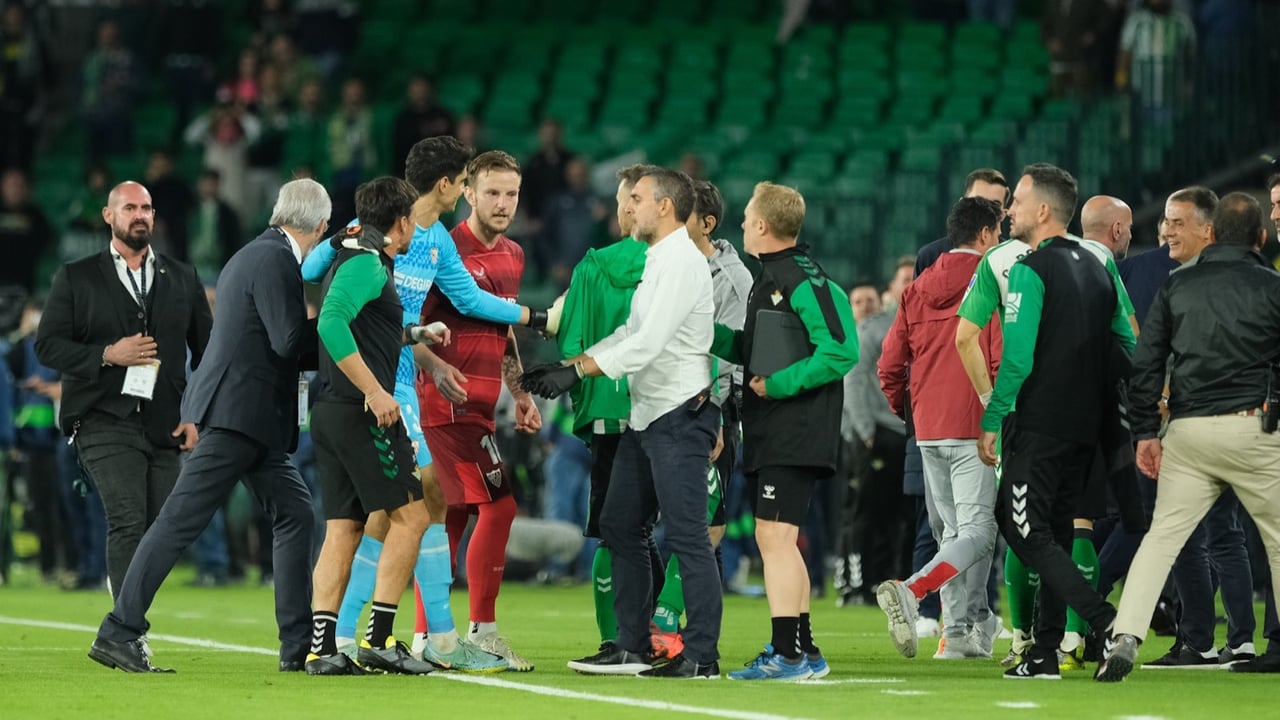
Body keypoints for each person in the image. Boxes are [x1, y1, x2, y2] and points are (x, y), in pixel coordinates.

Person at [302, 137, 549, 673]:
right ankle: (416, 636)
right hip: (375, 386)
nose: (466, 192)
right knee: (412, 507)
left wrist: (437, 362)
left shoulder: (434, 240)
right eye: (466, 183)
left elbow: (466, 300)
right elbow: (311, 271)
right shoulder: (377, 231)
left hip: (405, 383)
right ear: (448, 185)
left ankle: (357, 637)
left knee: (399, 511)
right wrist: (538, 317)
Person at [86, 178, 329, 673]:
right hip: (239, 415)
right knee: (178, 522)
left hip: (247, 416)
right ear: (320, 225)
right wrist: (339, 332)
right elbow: (287, 340)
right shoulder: (276, 259)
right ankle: (119, 631)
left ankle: (297, 647)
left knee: (296, 513)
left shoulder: (255, 254)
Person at [522, 168, 723, 679]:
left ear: (666, 207)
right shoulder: (660, 260)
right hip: (649, 415)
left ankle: (701, 655)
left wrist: (581, 370)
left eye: (638, 197)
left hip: (680, 415)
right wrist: (572, 367)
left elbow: (649, 341)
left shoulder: (680, 261)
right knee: (618, 524)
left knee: (687, 535)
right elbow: (630, 330)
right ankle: (633, 646)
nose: (629, 206)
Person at [954, 168, 1138, 670]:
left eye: (1016, 201)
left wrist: (991, 417)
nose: (1008, 209)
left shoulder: (1027, 269)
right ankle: (1044, 653)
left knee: (1021, 529)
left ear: (1041, 211)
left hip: (1037, 423)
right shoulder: (1099, 261)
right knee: (1056, 532)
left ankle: (1106, 624)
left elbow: (1015, 359)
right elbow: (1129, 341)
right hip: (1086, 428)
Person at [1097, 192, 1280, 682]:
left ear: (1213, 232)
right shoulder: (1273, 286)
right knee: (1274, 541)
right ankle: (1257, 640)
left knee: (1161, 540)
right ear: (1261, 238)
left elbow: (1146, 364)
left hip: (1188, 431)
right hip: (1255, 428)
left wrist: (1143, 432)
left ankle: (1126, 638)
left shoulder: (1177, 286)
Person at [709, 182, 859, 680]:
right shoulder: (777, 276)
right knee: (781, 539)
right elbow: (760, 348)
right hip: (781, 427)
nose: (744, 222)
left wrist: (778, 385)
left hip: (793, 427)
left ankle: (785, 655)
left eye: (748, 216)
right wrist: (702, 331)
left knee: (774, 538)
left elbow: (840, 350)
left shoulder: (799, 278)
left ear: (762, 226)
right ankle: (805, 649)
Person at [35, 181, 212, 603]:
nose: (140, 215)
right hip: (101, 416)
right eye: (130, 207)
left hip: (165, 422)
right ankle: (126, 630)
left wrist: (197, 414)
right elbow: (47, 346)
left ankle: (127, 617)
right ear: (108, 216)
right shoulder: (76, 276)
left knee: (158, 530)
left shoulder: (183, 277)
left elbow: (209, 353)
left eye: (147, 208)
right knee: (128, 520)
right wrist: (107, 354)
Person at [416, 150, 542, 671]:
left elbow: (503, 327)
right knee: (499, 507)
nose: (502, 203)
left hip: (484, 405)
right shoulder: (443, 246)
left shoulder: (513, 254)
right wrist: (435, 369)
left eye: (511, 193)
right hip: (446, 405)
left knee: (454, 514)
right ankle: (479, 631)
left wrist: (521, 392)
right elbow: (407, 323)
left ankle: (429, 636)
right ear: (467, 192)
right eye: (492, 192)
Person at [306, 176, 438, 676]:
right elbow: (330, 322)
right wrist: (375, 391)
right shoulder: (366, 263)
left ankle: (322, 649)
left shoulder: (352, 257)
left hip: (332, 411)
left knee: (345, 527)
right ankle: (380, 640)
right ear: (401, 222)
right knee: (413, 517)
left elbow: (366, 330)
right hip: (363, 412)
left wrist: (417, 334)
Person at [548, 163, 667, 671]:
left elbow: (571, 343)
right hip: (661, 412)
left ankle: (622, 639)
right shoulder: (674, 266)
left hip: (604, 416)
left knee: (616, 530)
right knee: (644, 531)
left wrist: (587, 395)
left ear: (623, 210)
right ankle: (647, 632)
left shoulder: (592, 269)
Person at [875, 196, 1004, 661]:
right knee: (980, 531)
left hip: (927, 429)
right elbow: (993, 356)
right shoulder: (990, 282)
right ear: (987, 235)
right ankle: (911, 591)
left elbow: (889, 365)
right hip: (975, 424)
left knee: (954, 533)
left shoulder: (917, 287)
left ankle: (959, 634)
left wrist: (911, 413)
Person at [647, 178, 754, 661]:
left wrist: (717, 419)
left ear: (705, 223)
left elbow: (731, 355)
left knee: (703, 519)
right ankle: (661, 621)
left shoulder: (732, 279)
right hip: (661, 403)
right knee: (669, 518)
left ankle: (667, 619)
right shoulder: (666, 262)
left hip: (709, 411)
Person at [915, 169, 1010, 275]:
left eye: (994, 205)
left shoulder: (1012, 259)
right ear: (962, 205)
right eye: (976, 202)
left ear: (1003, 214)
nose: (985, 211)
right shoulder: (929, 256)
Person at [1079, 195, 1133, 259]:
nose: (1130, 236)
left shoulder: (1067, 260)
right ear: (1117, 230)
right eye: (1129, 228)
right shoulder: (1107, 265)